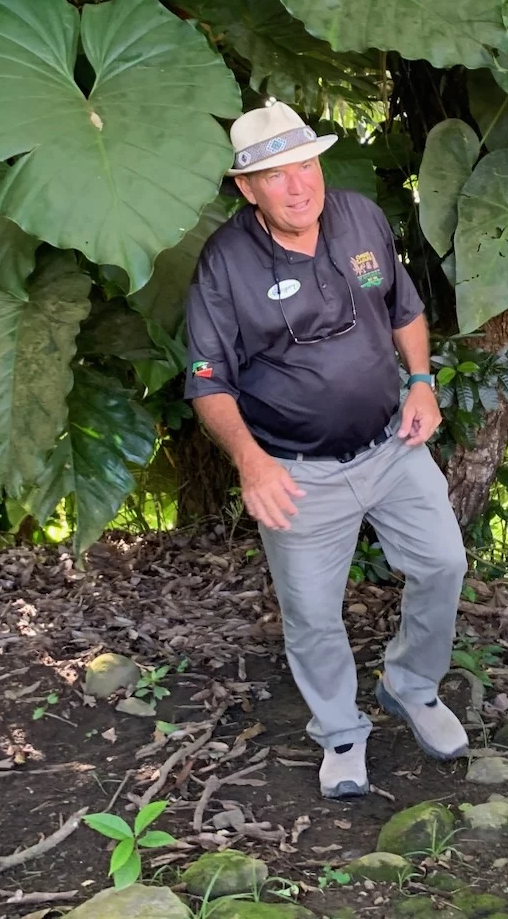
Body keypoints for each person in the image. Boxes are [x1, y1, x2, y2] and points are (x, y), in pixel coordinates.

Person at [184, 101, 469, 799]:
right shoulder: (224, 263)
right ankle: (340, 731)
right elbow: (207, 379)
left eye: (305, 165)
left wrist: (422, 382)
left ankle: (412, 686)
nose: (298, 186)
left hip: (392, 445)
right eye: (275, 175)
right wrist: (251, 462)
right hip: (295, 469)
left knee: (443, 564)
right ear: (247, 188)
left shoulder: (359, 217)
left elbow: (403, 308)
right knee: (312, 613)